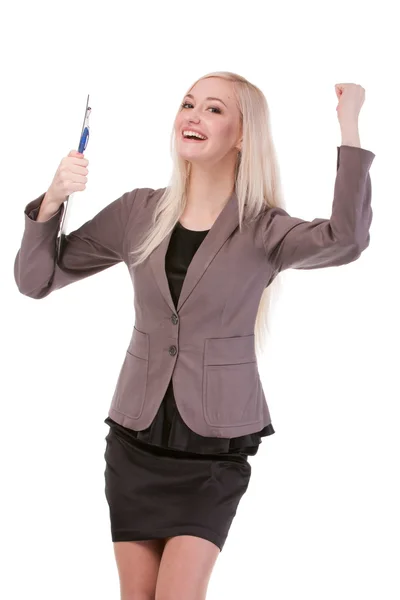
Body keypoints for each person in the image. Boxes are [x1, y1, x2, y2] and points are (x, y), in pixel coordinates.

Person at [14, 72, 375, 600]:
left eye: (213, 109)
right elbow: (35, 280)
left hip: (214, 448)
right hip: (135, 440)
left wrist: (349, 126)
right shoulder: (139, 211)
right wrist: (52, 201)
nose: (193, 116)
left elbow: (346, 240)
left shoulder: (263, 228)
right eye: (188, 104)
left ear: (244, 134)